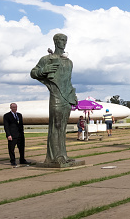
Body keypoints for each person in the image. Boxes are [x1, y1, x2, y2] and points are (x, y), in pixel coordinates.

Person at [30, 33, 78, 166]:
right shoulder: (47, 59)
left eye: (65, 40)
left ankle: (63, 155)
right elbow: (33, 73)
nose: (64, 43)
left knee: (62, 128)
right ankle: (53, 157)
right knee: (55, 125)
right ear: (56, 42)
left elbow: (68, 80)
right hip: (56, 95)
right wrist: (44, 70)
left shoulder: (69, 62)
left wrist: (73, 94)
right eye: (62, 40)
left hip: (67, 96)